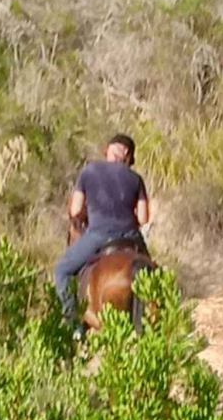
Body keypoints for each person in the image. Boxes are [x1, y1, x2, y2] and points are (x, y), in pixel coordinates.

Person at [55, 133, 151, 322]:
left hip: (99, 235)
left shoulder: (90, 171)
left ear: (107, 151)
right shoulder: (136, 178)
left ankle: (73, 324)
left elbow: (75, 210)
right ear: (129, 158)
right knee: (155, 277)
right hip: (132, 237)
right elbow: (143, 217)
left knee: (62, 271)